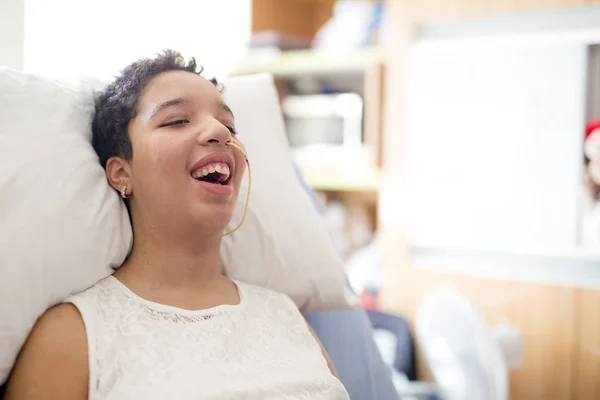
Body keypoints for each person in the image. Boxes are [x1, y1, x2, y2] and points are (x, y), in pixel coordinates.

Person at [5, 50, 350, 400]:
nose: (219, 132)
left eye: (229, 126)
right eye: (176, 120)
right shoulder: (72, 336)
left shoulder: (284, 315)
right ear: (122, 173)